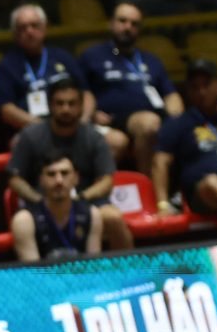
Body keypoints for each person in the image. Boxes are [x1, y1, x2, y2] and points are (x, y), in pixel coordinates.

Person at [7, 78, 134, 251]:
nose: (65, 109)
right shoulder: (30, 136)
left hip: (85, 202)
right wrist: (38, 199)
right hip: (42, 204)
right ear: (50, 105)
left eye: (71, 103)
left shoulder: (94, 137)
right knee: (23, 222)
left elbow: (107, 181)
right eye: (59, 103)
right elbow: (14, 179)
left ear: (81, 106)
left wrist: (80, 198)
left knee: (113, 217)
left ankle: (126, 267)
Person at [79, 2, 183, 174]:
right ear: (111, 23)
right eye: (122, 21)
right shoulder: (93, 56)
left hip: (152, 117)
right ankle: (147, 182)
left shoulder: (150, 60)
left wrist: (176, 118)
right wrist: (92, 113)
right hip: (111, 119)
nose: (128, 27)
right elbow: (80, 91)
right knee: (149, 123)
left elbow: (171, 94)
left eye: (134, 24)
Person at [0, 4, 92, 131]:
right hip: (31, 131)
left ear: (45, 28)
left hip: (73, 126)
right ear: (15, 33)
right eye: (23, 27)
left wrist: (83, 121)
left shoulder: (63, 57)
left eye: (34, 25)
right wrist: (46, 129)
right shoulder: (6, 66)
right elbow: (6, 110)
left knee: (112, 139)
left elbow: (86, 93)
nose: (29, 32)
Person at [154, 59, 217, 218]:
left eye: (207, 85)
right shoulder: (179, 123)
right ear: (188, 92)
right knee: (212, 183)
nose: (201, 92)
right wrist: (162, 204)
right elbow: (160, 162)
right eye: (195, 87)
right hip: (204, 193)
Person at [9, 152, 103, 261]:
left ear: (76, 178)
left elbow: (94, 266)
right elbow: (33, 270)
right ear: (41, 179)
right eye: (51, 174)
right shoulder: (24, 220)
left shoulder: (92, 214)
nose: (59, 180)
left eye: (64, 173)